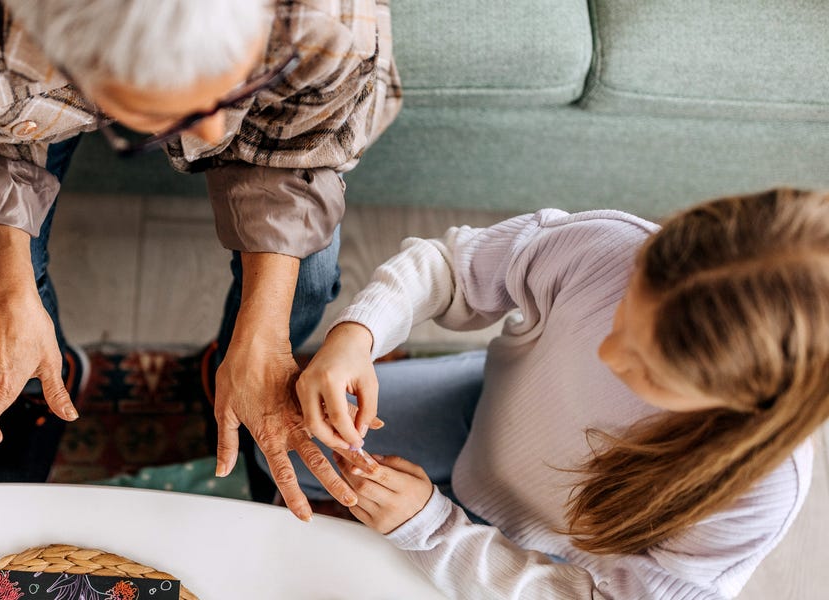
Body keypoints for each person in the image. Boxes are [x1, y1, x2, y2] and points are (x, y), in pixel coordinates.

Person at [0, 0, 399, 515]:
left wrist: (263, 331)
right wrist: (5, 298)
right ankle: (39, 372)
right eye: (160, 117)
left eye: (239, 84)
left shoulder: (326, 15)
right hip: (13, 94)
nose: (215, 138)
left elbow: (297, 150)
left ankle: (235, 370)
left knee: (307, 279)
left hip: (277, 122)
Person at [296, 189, 823, 598]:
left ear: (741, 403)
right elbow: (452, 267)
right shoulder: (608, 248)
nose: (610, 356)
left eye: (651, 372)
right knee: (284, 436)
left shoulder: (756, 496)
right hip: (478, 410)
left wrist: (431, 529)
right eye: (624, 316)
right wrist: (358, 333)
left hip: (552, 562)